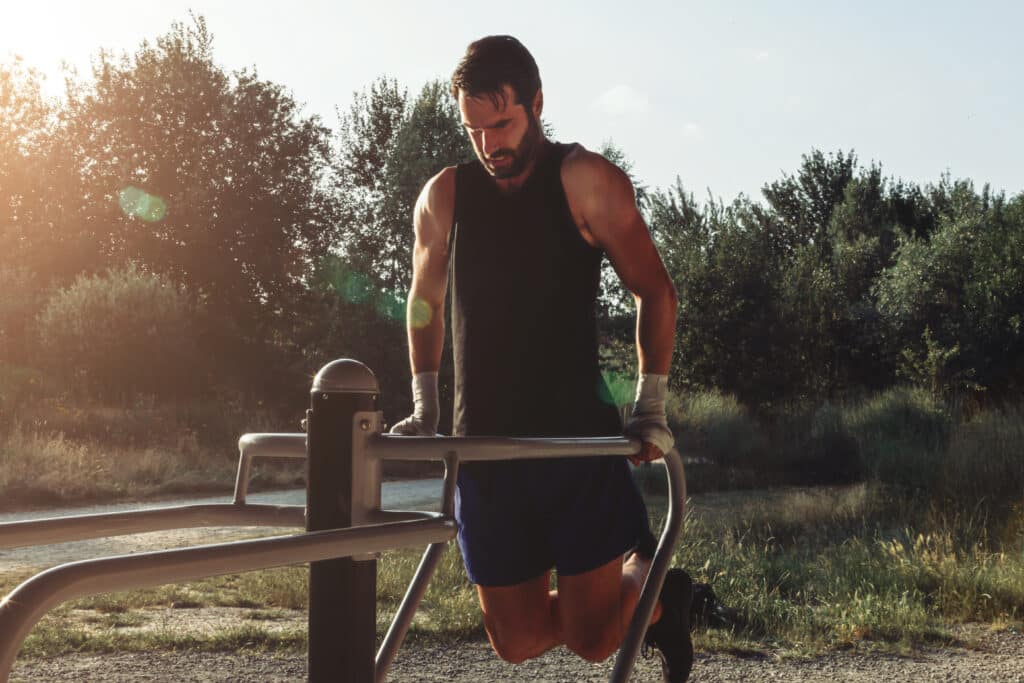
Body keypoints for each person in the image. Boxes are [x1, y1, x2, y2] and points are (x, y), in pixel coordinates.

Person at [391, 35, 693, 682]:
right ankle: (653, 596)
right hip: (486, 450)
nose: (489, 142)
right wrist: (424, 402)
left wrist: (650, 405)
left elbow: (656, 291)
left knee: (591, 639)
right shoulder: (445, 196)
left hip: (575, 444)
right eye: (474, 128)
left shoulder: (585, 179)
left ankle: (659, 589)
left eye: (502, 123)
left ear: (537, 103)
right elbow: (424, 301)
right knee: (517, 639)